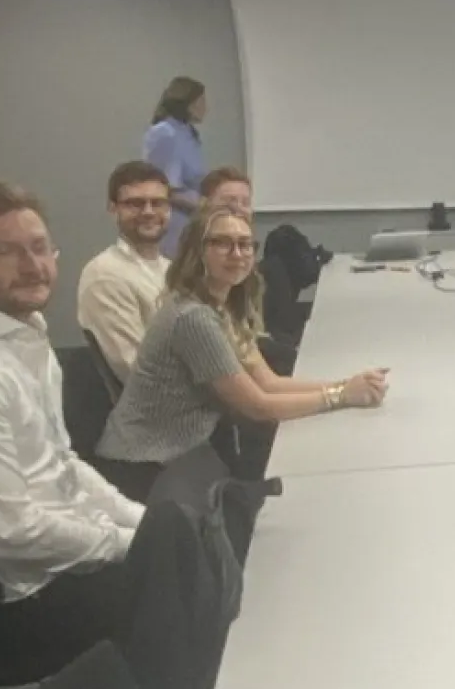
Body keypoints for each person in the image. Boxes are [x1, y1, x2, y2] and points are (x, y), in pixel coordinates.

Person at [0, 182, 150, 676]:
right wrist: (126, 544)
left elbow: (63, 464)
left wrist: (143, 522)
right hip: (32, 598)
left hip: (72, 555)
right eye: (4, 252)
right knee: (196, 605)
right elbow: (14, 533)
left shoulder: (28, 332)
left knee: (200, 555)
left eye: (38, 248)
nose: (31, 266)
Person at [94, 205, 390, 501]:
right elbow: (258, 406)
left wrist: (346, 384)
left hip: (178, 458)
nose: (237, 253)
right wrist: (342, 396)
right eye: (222, 243)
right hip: (142, 467)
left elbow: (269, 383)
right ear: (197, 251)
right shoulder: (193, 318)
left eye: (245, 244)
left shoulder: (222, 306)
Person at [76, 161, 173, 384]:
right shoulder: (105, 275)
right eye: (135, 204)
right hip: (159, 412)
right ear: (113, 209)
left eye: (157, 203)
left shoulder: (171, 270)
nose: (148, 212)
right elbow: (139, 373)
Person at [142, 76, 207, 257]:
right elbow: (162, 187)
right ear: (186, 102)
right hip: (173, 226)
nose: (205, 108)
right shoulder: (164, 133)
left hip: (191, 223)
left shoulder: (188, 134)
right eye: (200, 101)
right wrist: (205, 205)